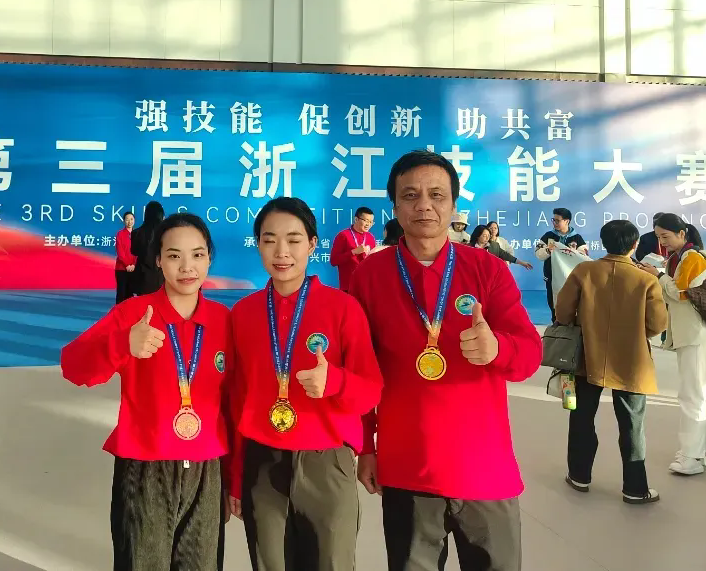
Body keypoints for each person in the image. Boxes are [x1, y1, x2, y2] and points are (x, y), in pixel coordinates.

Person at [350, 150, 542, 571]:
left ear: (454, 205)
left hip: (483, 465)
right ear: (395, 206)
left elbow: (529, 354)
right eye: (410, 195)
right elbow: (361, 372)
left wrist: (497, 349)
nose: (424, 205)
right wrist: (365, 446)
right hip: (407, 466)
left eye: (437, 195)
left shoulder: (487, 269)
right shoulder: (370, 276)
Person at [62, 213, 230, 571]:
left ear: (209, 259)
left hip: (207, 470)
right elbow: (73, 366)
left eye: (197, 255)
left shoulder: (224, 321)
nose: (187, 267)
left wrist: (235, 478)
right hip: (145, 467)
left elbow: (233, 401)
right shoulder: (134, 314)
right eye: (174, 255)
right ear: (158, 260)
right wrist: (122, 344)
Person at [226, 197, 382, 571]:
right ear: (258, 244)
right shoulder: (243, 314)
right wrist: (236, 475)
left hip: (326, 463)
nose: (282, 252)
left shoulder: (343, 308)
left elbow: (370, 390)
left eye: (294, 240)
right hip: (263, 465)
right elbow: (236, 399)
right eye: (269, 240)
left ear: (312, 244)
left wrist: (336, 382)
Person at [555, 220, 666, 504]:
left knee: (581, 417)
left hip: (585, 356)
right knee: (632, 425)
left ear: (603, 243)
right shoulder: (646, 279)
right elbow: (657, 324)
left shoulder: (584, 271)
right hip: (631, 360)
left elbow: (563, 313)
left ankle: (579, 475)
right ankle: (635, 488)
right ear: (635, 244)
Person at [639, 213, 706, 475]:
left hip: (695, 335)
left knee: (692, 395)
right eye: (659, 237)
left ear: (682, 233)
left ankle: (691, 457)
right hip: (694, 334)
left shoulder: (692, 257)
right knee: (702, 392)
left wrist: (659, 275)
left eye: (666, 236)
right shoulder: (680, 258)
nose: (662, 242)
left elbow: (680, 293)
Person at [535, 207, 588, 322]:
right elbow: (538, 254)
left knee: (572, 302)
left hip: (571, 277)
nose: (554, 223)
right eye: (553, 220)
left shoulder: (577, 238)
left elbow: (583, 257)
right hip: (552, 276)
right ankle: (555, 324)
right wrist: (548, 250)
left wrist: (572, 252)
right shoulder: (548, 236)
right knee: (553, 302)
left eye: (557, 220)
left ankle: (571, 325)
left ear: (566, 221)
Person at [330, 207, 375, 292]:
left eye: (371, 222)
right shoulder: (343, 235)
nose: (368, 224)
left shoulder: (370, 237)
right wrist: (353, 252)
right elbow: (333, 261)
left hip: (366, 286)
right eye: (366, 221)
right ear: (356, 219)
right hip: (348, 287)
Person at [131, 201, 165, 296]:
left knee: (144, 303)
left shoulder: (136, 233)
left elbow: (134, 251)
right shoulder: (166, 232)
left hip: (143, 277)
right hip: (162, 276)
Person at [470, 225, 534, 270]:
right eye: (484, 235)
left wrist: (522, 263)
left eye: (488, 235)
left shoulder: (494, 246)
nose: (487, 238)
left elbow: (507, 256)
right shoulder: (468, 247)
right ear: (477, 236)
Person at [114, 211, 136, 304]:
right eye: (127, 220)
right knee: (121, 294)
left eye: (131, 219)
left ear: (134, 220)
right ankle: (118, 312)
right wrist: (127, 265)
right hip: (122, 269)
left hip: (134, 269)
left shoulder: (137, 234)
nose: (129, 222)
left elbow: (138, 252)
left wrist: (134, 264)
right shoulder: (120, 234)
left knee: (130, 294)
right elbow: (120, 252)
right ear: (124, 221)